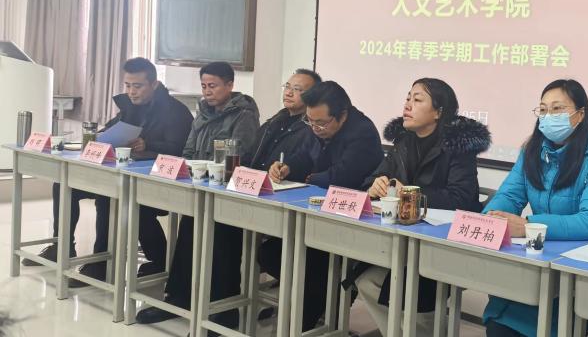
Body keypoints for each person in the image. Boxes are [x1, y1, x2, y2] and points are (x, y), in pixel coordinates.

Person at [26, 58, 192, 288]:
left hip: (156, 181)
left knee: (109, 197)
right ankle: (61, 245)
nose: (131, 92)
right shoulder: (130, 107)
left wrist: (149, 144)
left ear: (154, 84)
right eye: (128, 85)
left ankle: (101, 263)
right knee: (64, 185)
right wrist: (101, 137)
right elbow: (112, 130)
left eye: (138, 86)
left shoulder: (176, 112)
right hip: (122, 175)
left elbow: (181, 150)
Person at [355, 78, 491, 336]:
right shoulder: (404, 141)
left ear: (438, 112)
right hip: (404, 241)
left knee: (409, 295)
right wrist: (374, 186)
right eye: (408, 98)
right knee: (365, 281)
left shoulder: (458, 146)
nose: (408, 105)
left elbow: (461, 199)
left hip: (440, 245)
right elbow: (374, 178)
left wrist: (410, 195)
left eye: (417, 100)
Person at [481, 79, 588, 337]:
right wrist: (491, 217)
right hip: (536, 265)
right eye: (543, 110)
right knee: (499, 328)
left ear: (580, 115)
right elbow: (509, 195)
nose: (548, 116)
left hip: (573, 276)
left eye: (557, 109)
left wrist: (528, 227)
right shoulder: (532, 150)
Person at [136, 61, 261, 334]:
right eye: (204, 86)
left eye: (213, 86)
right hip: (199, 186)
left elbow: (242, 154)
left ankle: (223, 313)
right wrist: (193, 167)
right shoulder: (202, 111)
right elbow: (189, 150)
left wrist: (211, 168)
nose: (207, 91)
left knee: (222, 247)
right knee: (188, 239)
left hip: (228, 192)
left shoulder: (244, 114)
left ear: (230, 85)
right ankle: (178, 299)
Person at [256, 80, 384, 331]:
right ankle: (314, 306)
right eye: (310, 121)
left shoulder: (363, 133)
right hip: (317, 213)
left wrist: (308, 178)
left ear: (342, 115)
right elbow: (304, 156)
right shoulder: (316, 126)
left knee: (310, 261)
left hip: (348, 221)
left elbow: (342, 177)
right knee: (270, 253)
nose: (315, 128)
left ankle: (311, 316)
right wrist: (286, 167)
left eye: (322, 123)